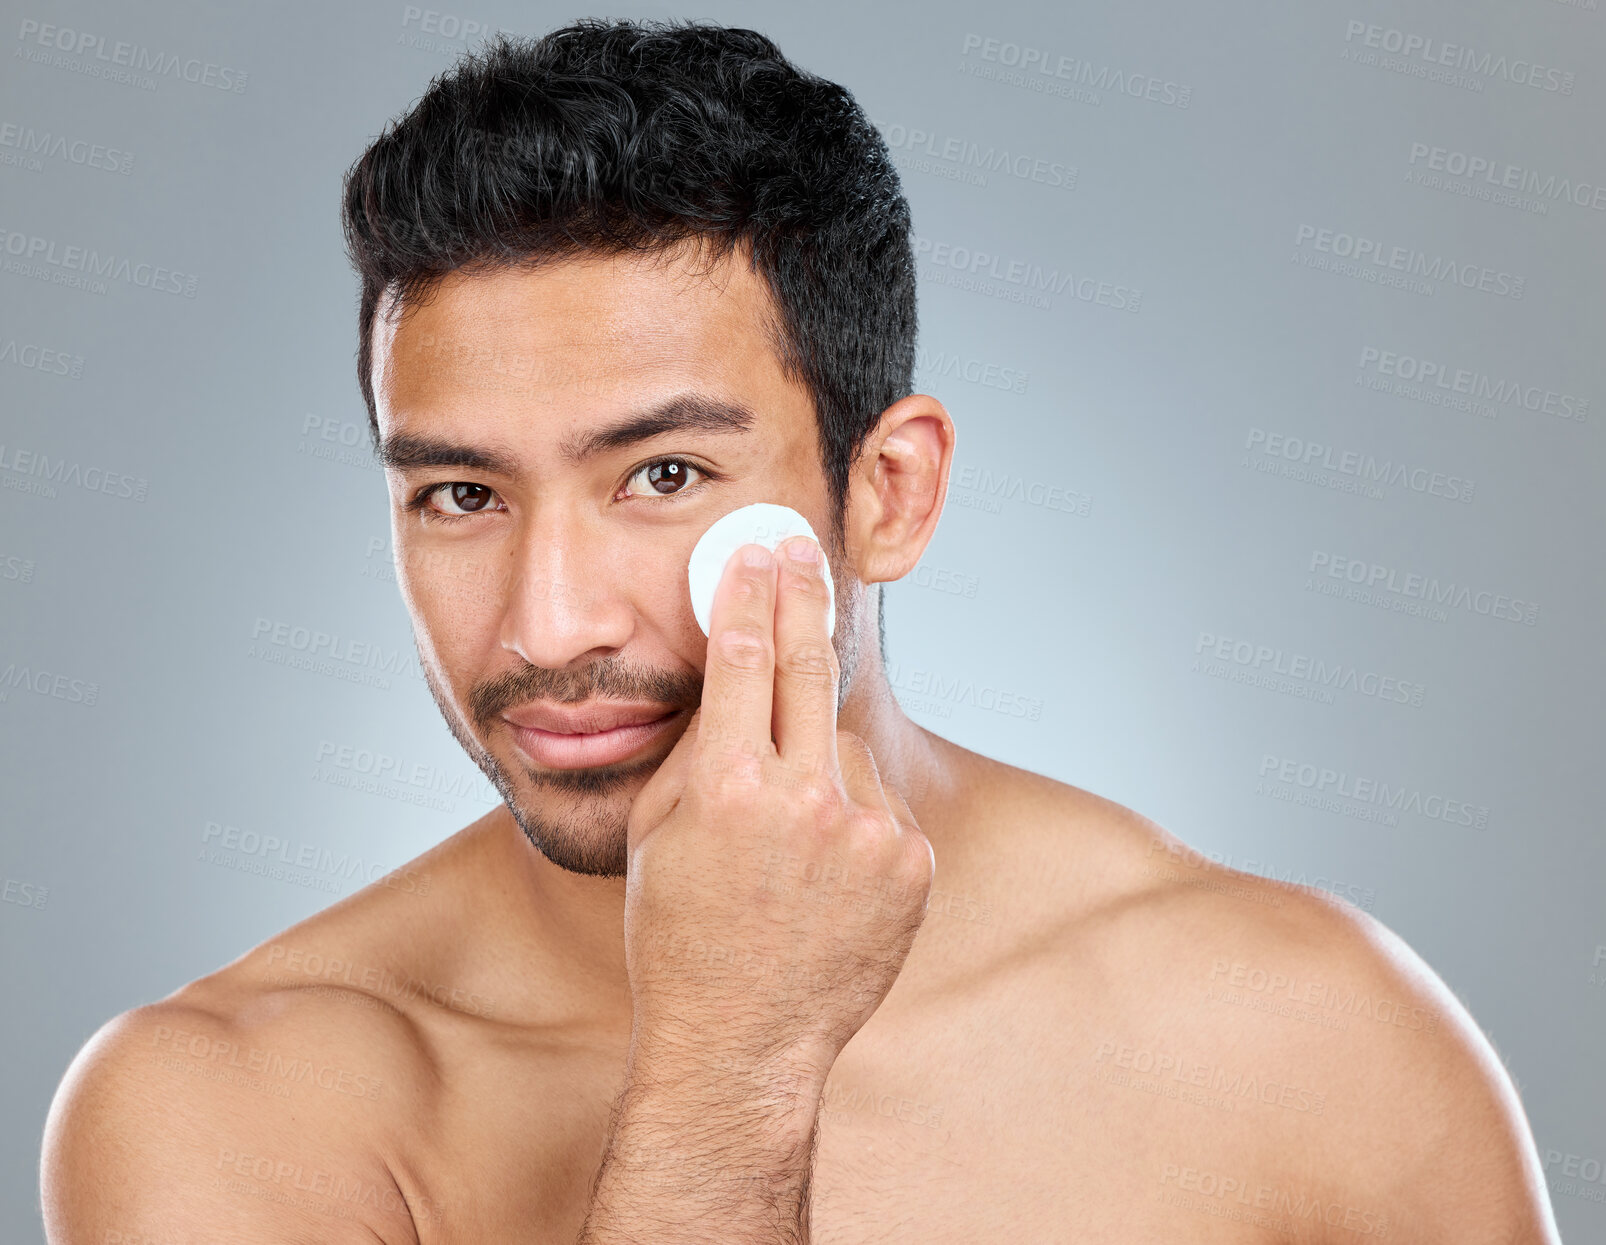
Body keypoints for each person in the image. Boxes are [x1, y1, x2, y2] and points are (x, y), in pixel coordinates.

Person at [41, 18, 1559, 1243]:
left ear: (884, 492)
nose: (546, 618)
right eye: (457, 491)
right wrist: (730, 1069)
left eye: (662, 475)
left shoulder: (1304, 1039)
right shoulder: (229, 1106)